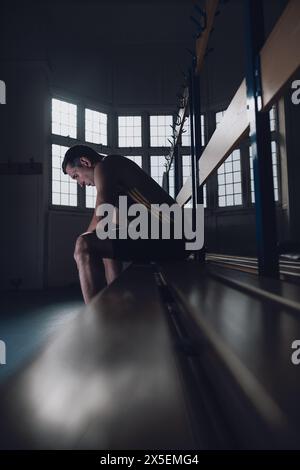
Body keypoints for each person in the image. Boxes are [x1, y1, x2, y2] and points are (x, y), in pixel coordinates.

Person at [62, 144, 186, 304]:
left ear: (85, 162)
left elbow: (102, 211)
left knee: (84, 244)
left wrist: (81, 245)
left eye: (76, 176)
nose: (80, 183)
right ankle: (114, 301)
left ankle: (95, 320)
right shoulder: (115, 175)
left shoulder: (105, 166)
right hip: (174, 238)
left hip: (174, 239)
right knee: (102, 238)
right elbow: (108, 225)